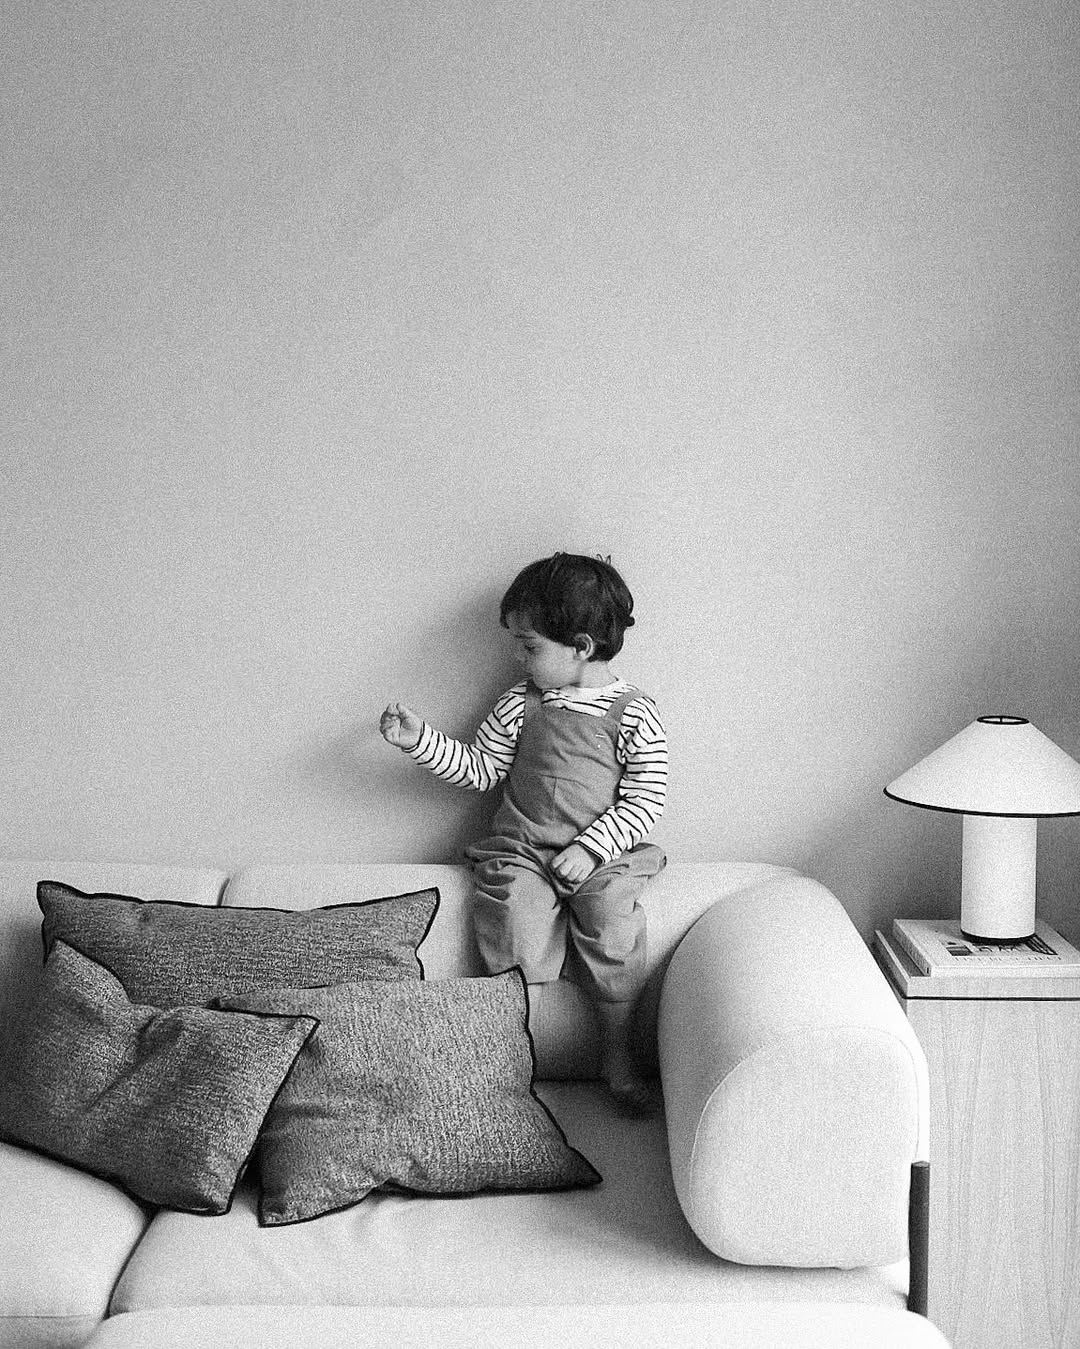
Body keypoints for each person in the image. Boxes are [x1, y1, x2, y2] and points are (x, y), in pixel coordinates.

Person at [380, 553, 667, 1113]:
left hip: (601, 856)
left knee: (612, 927)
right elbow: (481, 768)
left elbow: (645, 797)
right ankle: (515, 1053)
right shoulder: (520, 703)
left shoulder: (635, 713)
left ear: (581, 647)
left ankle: (618, 1052)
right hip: (524, 850)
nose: (518, 657)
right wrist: (420, 741)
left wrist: (592, 849)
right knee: (511, 921)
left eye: (530, 646)